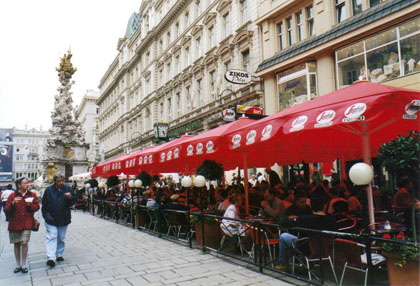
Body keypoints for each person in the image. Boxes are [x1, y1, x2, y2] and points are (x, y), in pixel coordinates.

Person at [275, 198, 338, 271]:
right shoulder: (332, 220)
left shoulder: (305, 218)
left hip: (306, 248)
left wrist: (290, 218)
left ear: (311, 206)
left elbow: (283, 223)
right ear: (324, 206)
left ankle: (283, 263)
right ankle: (306, 264)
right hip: (324, 248)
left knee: (284, 236)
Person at [4, 177, 40, 273]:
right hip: (15, 222)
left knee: (24, 242)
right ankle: (18, 264)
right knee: (16, 244)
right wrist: (12, 203)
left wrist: (30, 206)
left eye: (27, 183)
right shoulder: (12, 195)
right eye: (24, 183)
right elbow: (6, 209)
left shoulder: (32, 195)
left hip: (27, 222)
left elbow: (37, 207)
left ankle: (24, 264)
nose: (27, 185)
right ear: (19, 185)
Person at [41, 174, 75, 268]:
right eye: (58, 181)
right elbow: (44, 203)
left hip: (64, 217)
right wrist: (46, 216)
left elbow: (73, 202)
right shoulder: (49, 190)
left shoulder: (68, 188)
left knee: (61, 237)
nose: (61, 183)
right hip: (51, 217)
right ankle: (51, 257)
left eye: (62, 181)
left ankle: (59, 254)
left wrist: (70, 197)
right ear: (54, 181)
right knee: (52, 236)